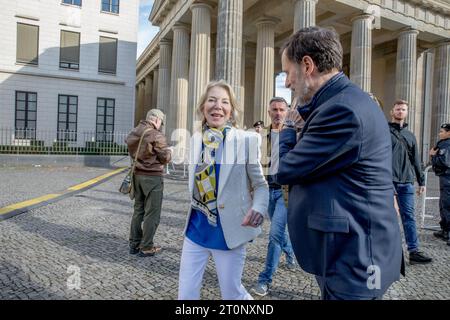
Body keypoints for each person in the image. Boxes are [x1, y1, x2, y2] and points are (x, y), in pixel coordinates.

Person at [276, 26, 403, 300]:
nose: (286, 83)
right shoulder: (344, 100)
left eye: (287, 72)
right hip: (346, 251)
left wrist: (287, 127)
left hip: (355, 260)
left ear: (307, 65)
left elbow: (284, 169)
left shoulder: (342, 110)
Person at [178, 80, 269, 300]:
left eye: (224, 102)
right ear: (203, 108)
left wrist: (258, 208)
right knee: (186, 294)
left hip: (228, 232)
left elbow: (260, 185)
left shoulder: (246, 140)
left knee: (232, 294)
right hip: (196, 229)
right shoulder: (196, 138)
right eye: (212, 100)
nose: (217, 106)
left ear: (231, 111)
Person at [251, 97, 297, 297]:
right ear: (269, 112)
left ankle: (264, 280)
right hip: (266, 190)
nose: (278, 113)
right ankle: (290, 253)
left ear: (287, 112)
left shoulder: (293, 135)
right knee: (279, 233)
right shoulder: (261, 136)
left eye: (281, 109)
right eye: (274, 110)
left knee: (275, 235)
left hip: (286, 192)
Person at [389, 100, 432, 264]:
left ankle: (413, 251)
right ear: (392, 112)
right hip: (389, 181)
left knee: (409, 217)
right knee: (390, 217)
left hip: (407, 182)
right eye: (398, 108)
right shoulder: (384, 132)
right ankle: (391, 252)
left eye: (403, 109)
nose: (400, 111)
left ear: (406, 113)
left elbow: (416, 159)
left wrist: (421, 181)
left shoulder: (410, 136)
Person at [126, 109, 172, 257]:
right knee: (152, 213)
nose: (161, 125)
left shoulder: (134, 131)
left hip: (137, 175)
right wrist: (169, 152)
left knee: (138, 210)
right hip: (152, 178)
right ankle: (146, 246)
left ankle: (134, 244)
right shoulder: (156, 135)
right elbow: (165, 158)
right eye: (161, 122)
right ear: (157, 120)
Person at [430, 123, 450, 246]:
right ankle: (445, 230)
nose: (440, 133)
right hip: (445, 178)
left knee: (447, 205)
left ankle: (448, 232)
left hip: (447, 178)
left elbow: (444, 162)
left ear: (449, 133)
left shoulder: (447, 144)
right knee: (443, 203)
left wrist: (432, 156)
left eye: (442, 131)